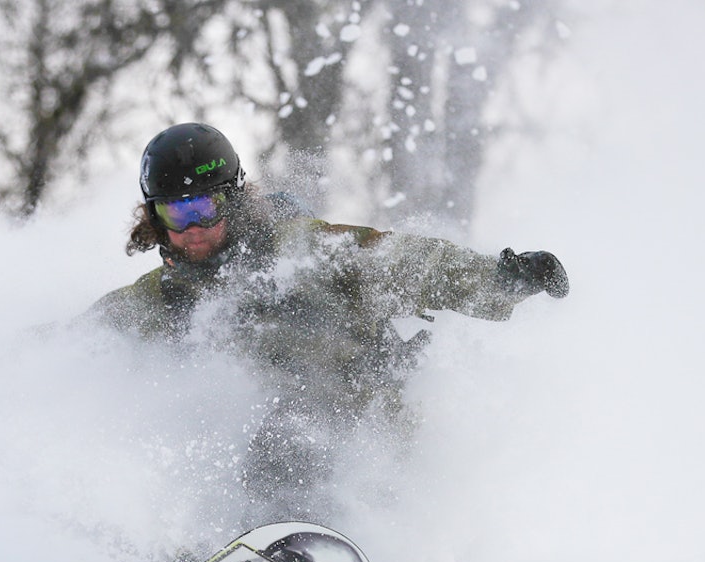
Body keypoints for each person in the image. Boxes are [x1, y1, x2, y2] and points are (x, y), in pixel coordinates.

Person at [81, 122, 568, 530]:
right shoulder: (165, 299)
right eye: (175, 212)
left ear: (231, 201)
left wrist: (503, 279)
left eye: (202, 209)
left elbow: (409, 264)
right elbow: (81, 347)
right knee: (196, 444)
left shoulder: (305, 250)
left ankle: (291, 549)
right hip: (260, 465)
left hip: (367, 425)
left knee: (288, 427)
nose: (191, 229)